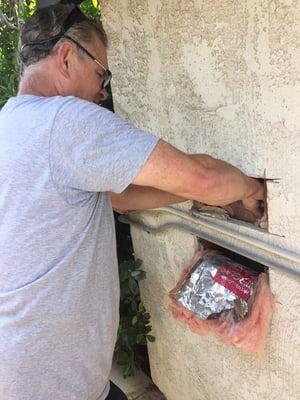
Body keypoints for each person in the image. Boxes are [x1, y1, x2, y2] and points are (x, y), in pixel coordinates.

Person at [0, 3, 264, 400]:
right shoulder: (65, 121)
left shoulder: (13, 125)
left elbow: (119, 198)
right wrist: (250, 189)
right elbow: (203, 177)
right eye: (101, 73)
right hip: (52, 384)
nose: (103, 91)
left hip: (32, 371)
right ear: (67, 57)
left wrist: (203, 195)